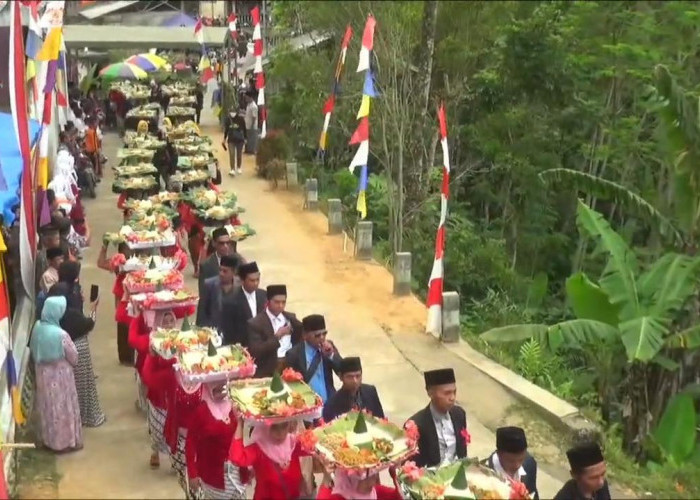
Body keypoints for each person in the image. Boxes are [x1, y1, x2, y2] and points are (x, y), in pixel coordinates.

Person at [47, 282, 105, 428]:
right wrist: (93, 308)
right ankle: (88, 417)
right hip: (78, 351)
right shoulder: (71, 314)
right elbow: (89, 324)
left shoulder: (49, 315)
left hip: (60, 360)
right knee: (84, 385)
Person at [29, 296, 82, 452]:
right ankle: (66, 443)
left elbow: (32, 349)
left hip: (42, 376)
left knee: (48, 408)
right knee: (63, 409)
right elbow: (74, 356)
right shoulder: (61, 335)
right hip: (61, 379)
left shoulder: (37, 328)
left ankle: (49, 441)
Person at [185, 382, 247, 499]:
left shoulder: (235, 406)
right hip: (214, 478)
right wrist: (192, 473)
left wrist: (250, 465)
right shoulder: (201, 411)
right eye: (216, 390)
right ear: (209, 390)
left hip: (237, 474)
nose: (221, 394)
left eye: (223, 389)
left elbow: (246, 436)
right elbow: (190, 443)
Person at [229, 418, 308, 500]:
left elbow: (314, 446)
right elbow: (237, 457)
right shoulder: (259, 448)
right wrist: (240, 424)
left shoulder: (293, 443)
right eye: (274, 427)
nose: (280, 433)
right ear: (265, 426)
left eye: (284, 426)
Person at [407, 368, 468, 467]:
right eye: (447, 393)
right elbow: (411, 466)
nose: (452, 398)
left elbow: (462, 451)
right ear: (430, 393)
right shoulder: (416, 425)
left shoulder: (459, 414)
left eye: (454, 392)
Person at [285, 314, 342, 405]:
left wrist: (331, 355)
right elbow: (289, 385)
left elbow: (342, 371)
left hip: (329, 403)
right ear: (305, 335)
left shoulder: (329, 346)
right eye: (317, 335)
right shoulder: (294, 354)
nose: (322, 338)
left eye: (324, 334)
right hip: (306, 405)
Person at [247, 284, 303, 377]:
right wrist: (277, 336)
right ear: (268, 302)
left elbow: (302, 336)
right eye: (277, 302)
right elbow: (255, 351)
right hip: (268, 369)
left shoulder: (291, 318)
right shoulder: (256, 323)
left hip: (289, 366)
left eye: (283, 302)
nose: (280, 306)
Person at [322, 356, 385, 422]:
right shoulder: (331, 404)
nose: (355, 381)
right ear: (341, 377)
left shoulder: (370, 391)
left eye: (358, 376)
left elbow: (381, 420)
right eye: (350, 377)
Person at [483, 427, 538, 499]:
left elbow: (533, 493)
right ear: (499, 454)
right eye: (511, 461)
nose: (517, 465)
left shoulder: (529, 464)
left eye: (521, 460)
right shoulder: (483, 473)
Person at [198, 255, 239, 332]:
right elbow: (202, 311)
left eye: (225, 271)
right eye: (220, 270)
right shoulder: (209, 285)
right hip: (213, 330)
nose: (221, 273)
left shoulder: (240, 286)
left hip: (234, 331)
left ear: (234, 272)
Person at [227, 261, 265, 346]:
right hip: (243, 346)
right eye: (252, 280)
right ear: (242, 281)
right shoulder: (232, 300)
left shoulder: (263, 295)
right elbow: (229, 328)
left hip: (262, 345)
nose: (256, 283)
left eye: (257, 280)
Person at [317, 469, 402, 500]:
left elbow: (397, 497)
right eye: (368, 477)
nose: (373, 482)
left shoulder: (374, 491)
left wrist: (396, 478)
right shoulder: (334, 497)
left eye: (374, 474)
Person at [223, 109, 247, 176]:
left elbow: (244, 129)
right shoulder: (228, 120)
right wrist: (224, 139)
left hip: (240, 140)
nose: (232, 113)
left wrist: (245, 138)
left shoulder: (241, 119)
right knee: (232, 154)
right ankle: (232, 169)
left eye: (233, 112)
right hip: (231, 140)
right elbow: (226, 130)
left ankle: (239, 167)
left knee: (239, 154)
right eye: (231, 112)